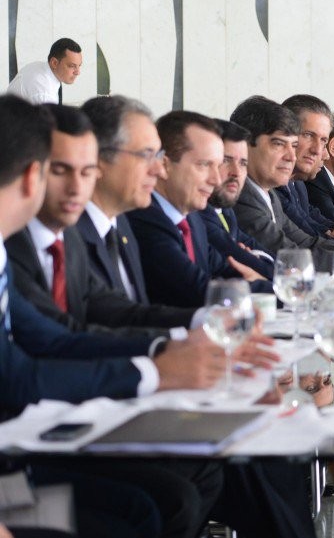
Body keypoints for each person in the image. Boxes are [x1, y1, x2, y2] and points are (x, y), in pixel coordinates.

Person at [0, 95, 229, 538]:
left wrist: (167, 349)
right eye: (59, 171)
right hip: (13, 473)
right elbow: (18, 375)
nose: (75, 188)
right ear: (35, 176)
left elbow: (53, 338)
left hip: (28, 445)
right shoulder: (17, 247)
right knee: (140, 512)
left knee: (177, 486)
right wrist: (153, 373)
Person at [5, 105, 195, 334]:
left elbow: (116, 310)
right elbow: (56, 339)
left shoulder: (72, 236)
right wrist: (164, 347)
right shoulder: (12, 244)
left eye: (86, 172)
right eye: (59, 170)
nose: (76, 188)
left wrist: (203, 322)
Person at [126, 111, 269, 308]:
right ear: (165, 165)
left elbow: (225, 270)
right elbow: (198, 290)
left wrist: (278, 288)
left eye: (217, 165)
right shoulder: (145, 217)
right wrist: (285, 291)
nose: (216, 179)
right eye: (204, 165)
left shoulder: (192, 220)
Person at [229, 96, 334, 271]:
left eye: (294, 145)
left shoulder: (269, 193)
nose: (291, 157)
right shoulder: (241, 195)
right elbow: (288, 256)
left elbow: (306, 242)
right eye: (279, 144)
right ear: (244, 145)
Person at [77, 96, 164, 303]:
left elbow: (135, 315)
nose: (159, 170)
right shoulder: (68, 235)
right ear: (98, 159)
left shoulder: (121, 223)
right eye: (146, 155)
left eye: (158, 155)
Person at [198, 119, 276, 280]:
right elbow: (238, 256)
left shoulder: (225, 210)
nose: (236, 172)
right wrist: (287, 280)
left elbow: (253, 248)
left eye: (242, 163)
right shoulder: (199, 213)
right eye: (226, 160)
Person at [279, 94, 334, 239]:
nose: (318, 150)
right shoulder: (274, 186)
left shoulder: (298, 183)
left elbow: (310, 219)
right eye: (309, 135)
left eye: (323, 140)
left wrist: (333, 232)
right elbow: (303, 238)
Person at [7, 38, 82, 105]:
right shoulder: (43, 94)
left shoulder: (38, 67)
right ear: (54, 63)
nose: (78, 72)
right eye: (72, 66)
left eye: (79, 65)